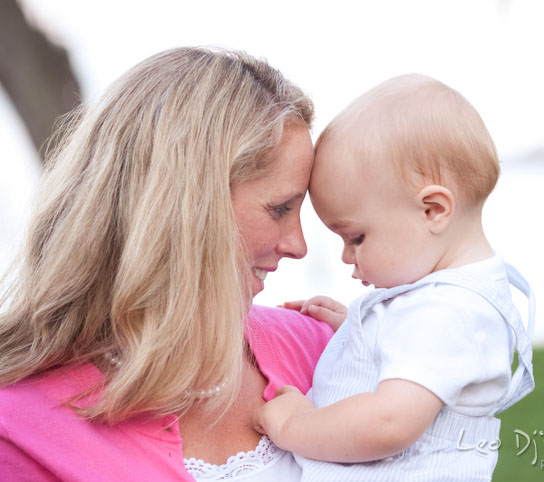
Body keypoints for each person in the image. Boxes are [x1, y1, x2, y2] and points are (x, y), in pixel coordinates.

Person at [0, 47, 335, 481]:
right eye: (278, 209)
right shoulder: (20, 428)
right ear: (186, 208)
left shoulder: (322, 347)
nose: (298, 245)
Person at [254, 74, 536, 481]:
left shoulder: (448, 314)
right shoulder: (445, 304)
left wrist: (292, 426)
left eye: (356, 237)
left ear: (433, 210)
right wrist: (360, 329)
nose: (346, 257)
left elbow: (389, 424)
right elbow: (417, 354)